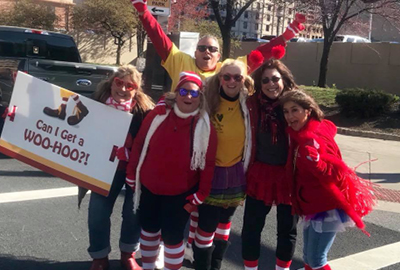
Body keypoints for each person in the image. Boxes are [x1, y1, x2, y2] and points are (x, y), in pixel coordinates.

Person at [125, 71, 218, 270]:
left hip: (180, 194)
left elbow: (208, 164)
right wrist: (132, 174)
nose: (188, 97)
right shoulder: (158, 115)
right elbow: (140, 144)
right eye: (183, 91)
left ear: (200, 97)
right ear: (176, 94)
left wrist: (201, 195)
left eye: (194, 93)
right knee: (148, 232)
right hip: (149, 187)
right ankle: (148, 267)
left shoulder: (206, 126)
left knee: (173, 239)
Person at [280, 90, 376, 270]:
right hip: (313, 204)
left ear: (307, 111)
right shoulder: (301, 134)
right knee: (309, 257)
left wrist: (317, 162)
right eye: (286, 111)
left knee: (317, 259)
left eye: (295, 110)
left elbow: (337, 174)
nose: (290, 116)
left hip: (326, 206)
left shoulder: (314, 138)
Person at [130, 0, 306, 90]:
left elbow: (258, 56)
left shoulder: (228, 69)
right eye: (202, 48)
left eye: (212, 49)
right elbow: (160, 39)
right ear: (195, 52)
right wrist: (143, 12)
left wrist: (285, 37)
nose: (206, 51)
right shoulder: (180, 61)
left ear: (219, 56)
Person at [83, 65, 154, 270]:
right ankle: (99, 257)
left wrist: (130, 153)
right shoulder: (95, 104)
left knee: (133, 213)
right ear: (111, 82)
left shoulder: (144, 111)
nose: (123, 89)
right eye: (119, 82)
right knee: (98, 212)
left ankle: (128, 253)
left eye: (129, 85)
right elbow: (60, 118)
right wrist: (20, 114)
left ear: (136, 89)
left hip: (134, 170)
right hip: (103, 168)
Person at [187, 60, 253, 270]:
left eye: (237, 77)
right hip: (209, 173)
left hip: (235, 173)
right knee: (206, 226)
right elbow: (181, 100)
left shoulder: (249, 105)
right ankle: (202, 267)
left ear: (244, 80)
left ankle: (215, 266)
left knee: (224, 225)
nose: (232, 81)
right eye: (227, 77)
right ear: (220, 78)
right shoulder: (207, 101)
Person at [241, 59, 299, 270]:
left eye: (275, 78)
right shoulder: (251, 104)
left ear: (284, 80)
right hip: (261, 173)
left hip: (289, 175)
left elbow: (319, 127)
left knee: (287, 229)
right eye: (265, 80)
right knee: (251, 228)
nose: (270, 84)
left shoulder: (295, 104)